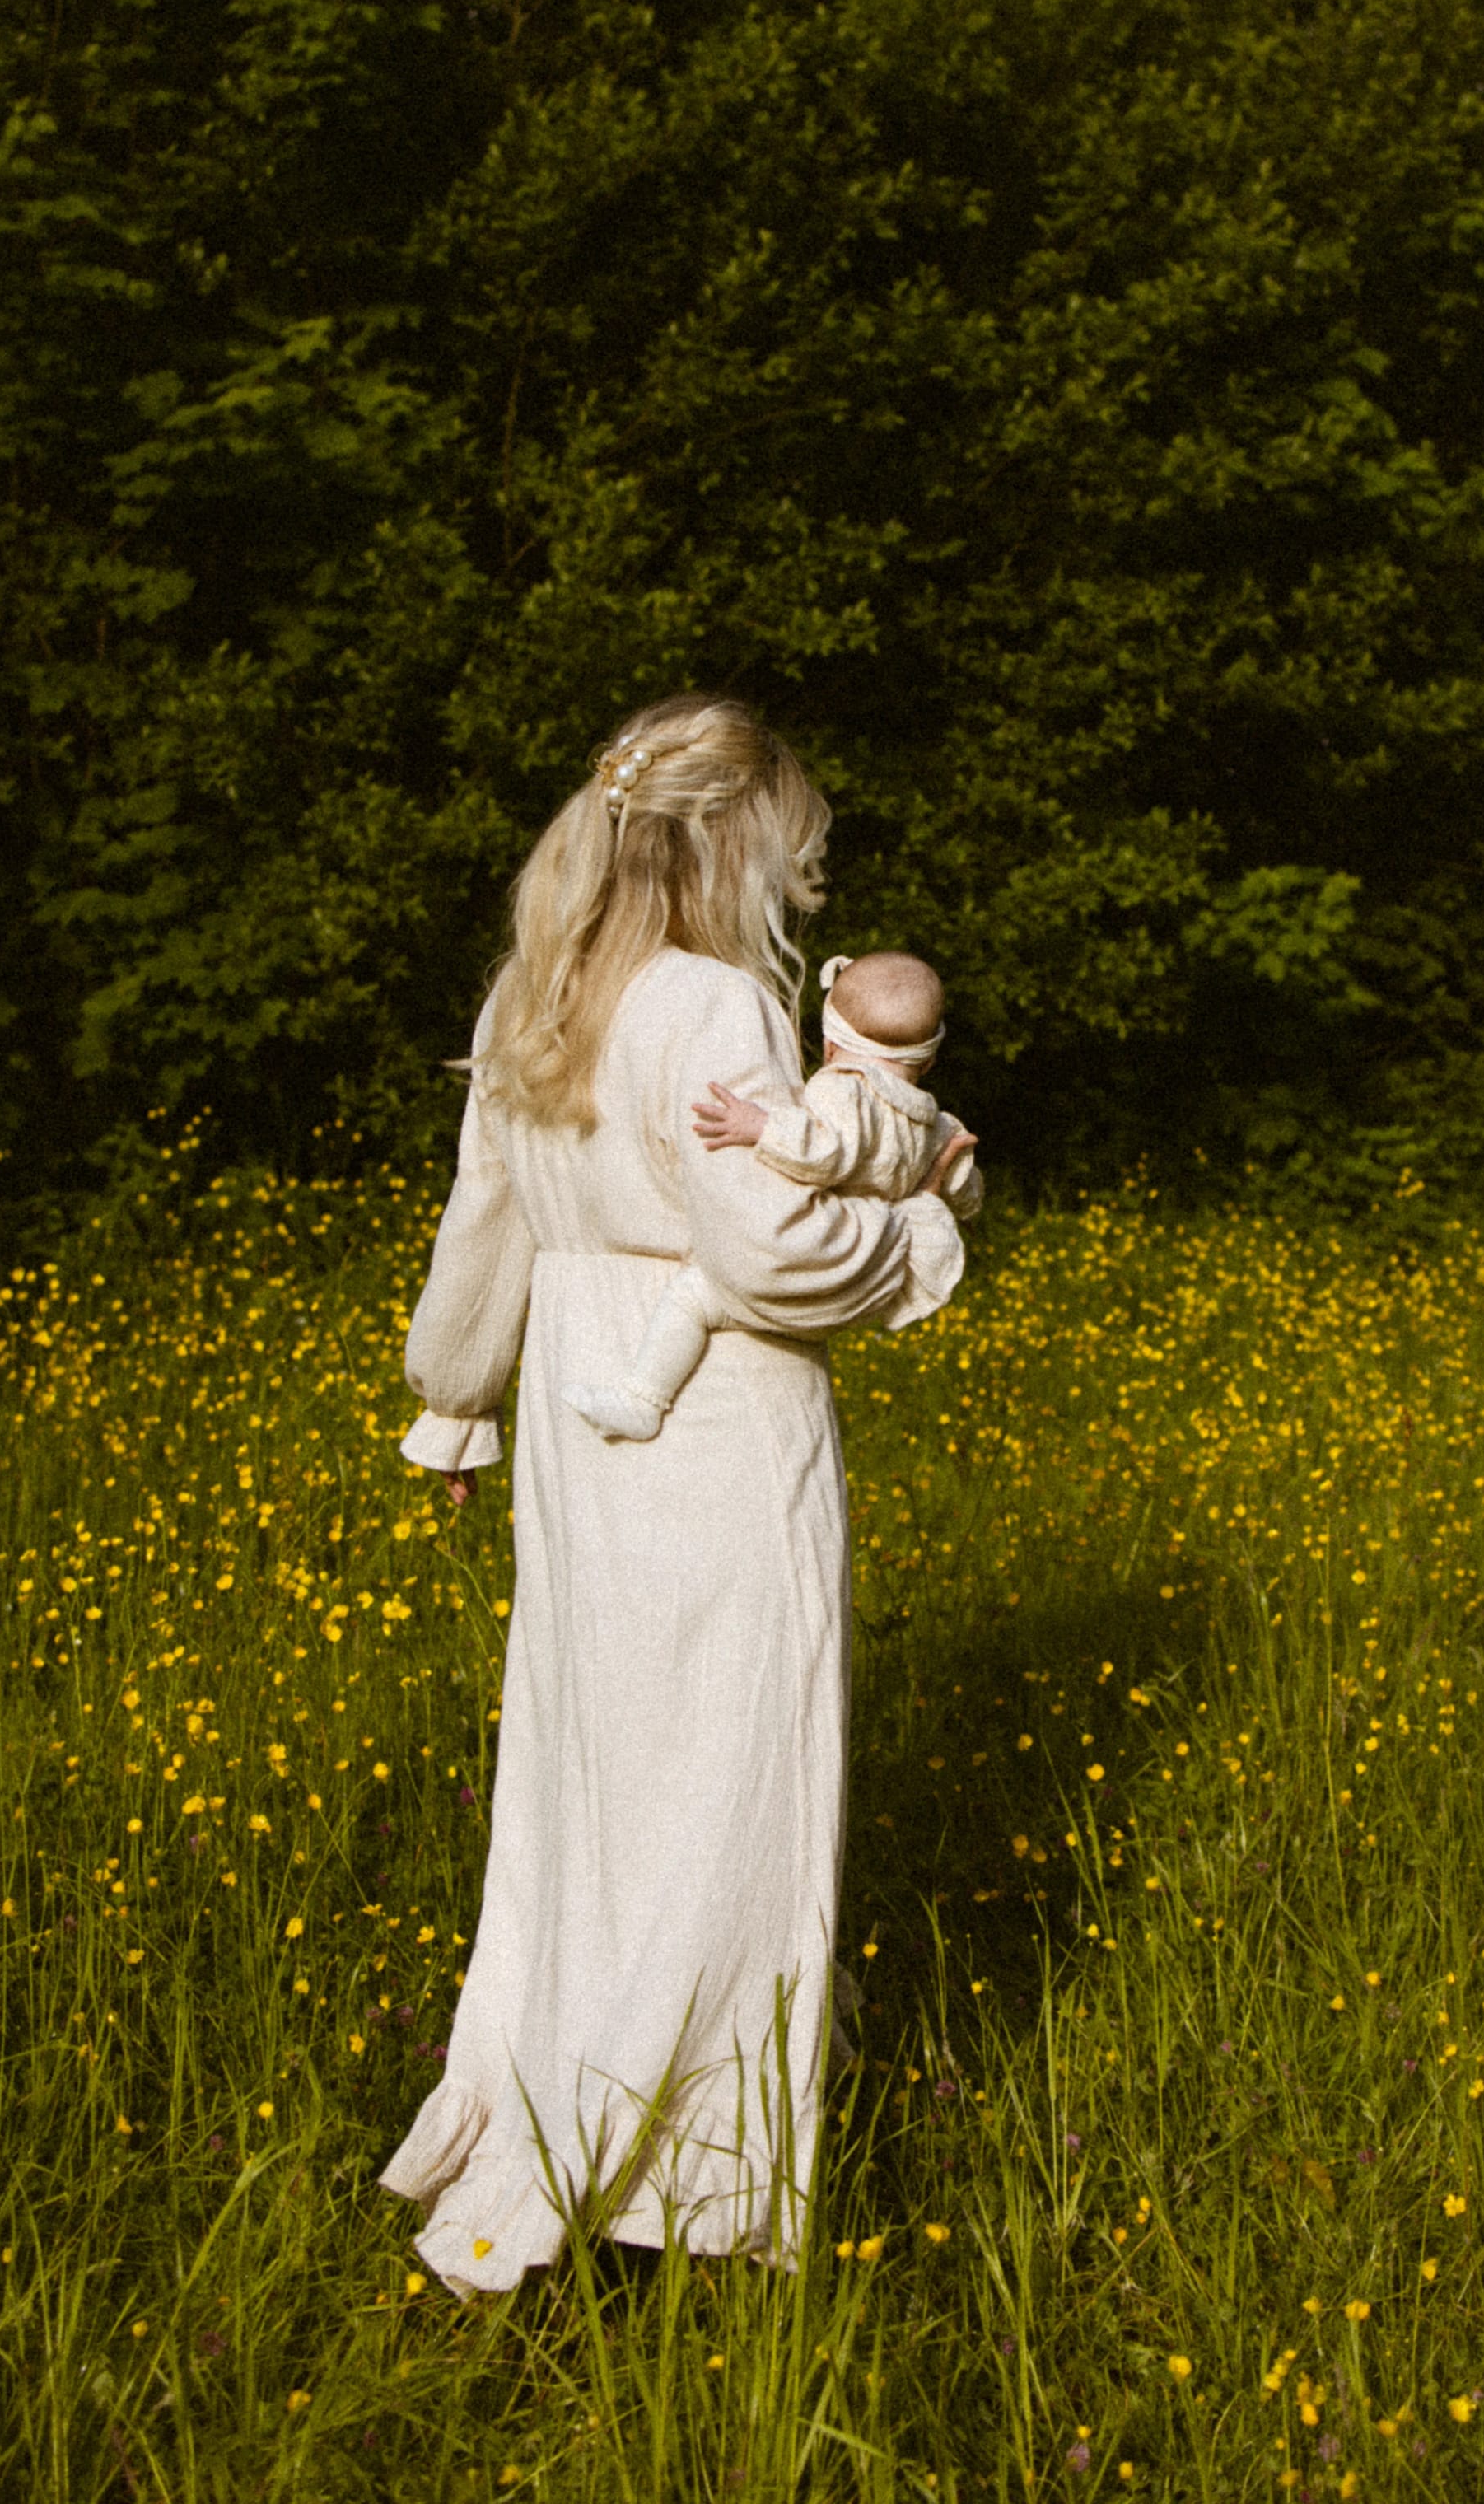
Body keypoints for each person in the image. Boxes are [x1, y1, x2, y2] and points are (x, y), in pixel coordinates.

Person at [377, 695, 968, 2292]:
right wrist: (920, 1222)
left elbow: (481, 1222)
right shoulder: (708, 1005)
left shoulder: (540, 989)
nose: (805, 894)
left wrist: (454, 1407)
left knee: (600, 1792)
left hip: (580, 1422)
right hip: (709, 1423)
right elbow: (771, 1256)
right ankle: (677, 2191)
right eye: (798, 858)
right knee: (725, 1789)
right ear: (735, 848)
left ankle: (564, 2125)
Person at [561, 946, 982, 1442]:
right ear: (929, 1060)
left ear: (830, 1045)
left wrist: (759, 1126)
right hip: (857, 1289)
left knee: (693, 1295)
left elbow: (827, 1151)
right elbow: (963, 1189)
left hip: (806, 1270)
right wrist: (950, 1193)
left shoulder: (841, 1090)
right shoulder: (937, 1125)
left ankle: (643, 1400)